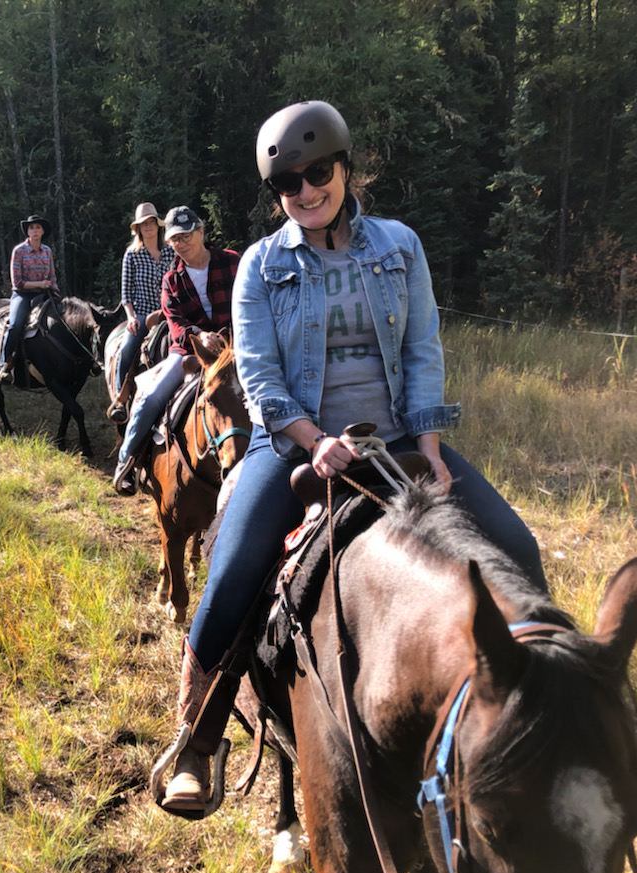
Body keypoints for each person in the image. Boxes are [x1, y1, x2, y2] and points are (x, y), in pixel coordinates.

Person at [156, 100, 547, 813]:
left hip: (396, 435)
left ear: (344, 167)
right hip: (297, 443)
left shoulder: (400, 245)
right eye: (289, 184)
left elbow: (423, 348)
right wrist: (312, 440)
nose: (306, 192)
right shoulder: (262, 268)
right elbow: (262, 377)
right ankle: (198, 738)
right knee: (237, 564)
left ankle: (530, 717)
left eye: (317, 172)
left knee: (517, 546)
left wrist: (427, 442)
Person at [112, 206, 240, 495]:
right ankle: (127, 461)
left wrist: (231, 338)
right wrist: (200, 335)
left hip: (235, 348)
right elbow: (175, 323)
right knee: (150, 397)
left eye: (186, 236)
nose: (181, 243)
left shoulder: (232, 262)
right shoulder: (171, 279)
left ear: (201, 232)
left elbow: (249, 303)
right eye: (175, 239)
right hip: (188, 352)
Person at [109, 202, 176, 423]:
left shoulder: (170, 251)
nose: (148, 227)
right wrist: (130, 317)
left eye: (151, 223)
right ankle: (120, 399)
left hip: (169, 312)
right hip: (142, 313)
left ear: (158, 225)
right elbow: (126, 294)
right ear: (137, 229)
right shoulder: (132, 255)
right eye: (143, 224)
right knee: (128, 349)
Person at [0, 214, 60, 384]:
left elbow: (52, 276)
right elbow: (17, 282)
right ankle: (5, 363)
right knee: (16, 324)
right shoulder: (19, 251)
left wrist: (56, 292)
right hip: (23, 294)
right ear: (28, 231)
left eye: (38, 227)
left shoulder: (47, 251)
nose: (35, 231)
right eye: (32, 228)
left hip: (45, 293)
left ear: (42, 231)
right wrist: (40, 283)